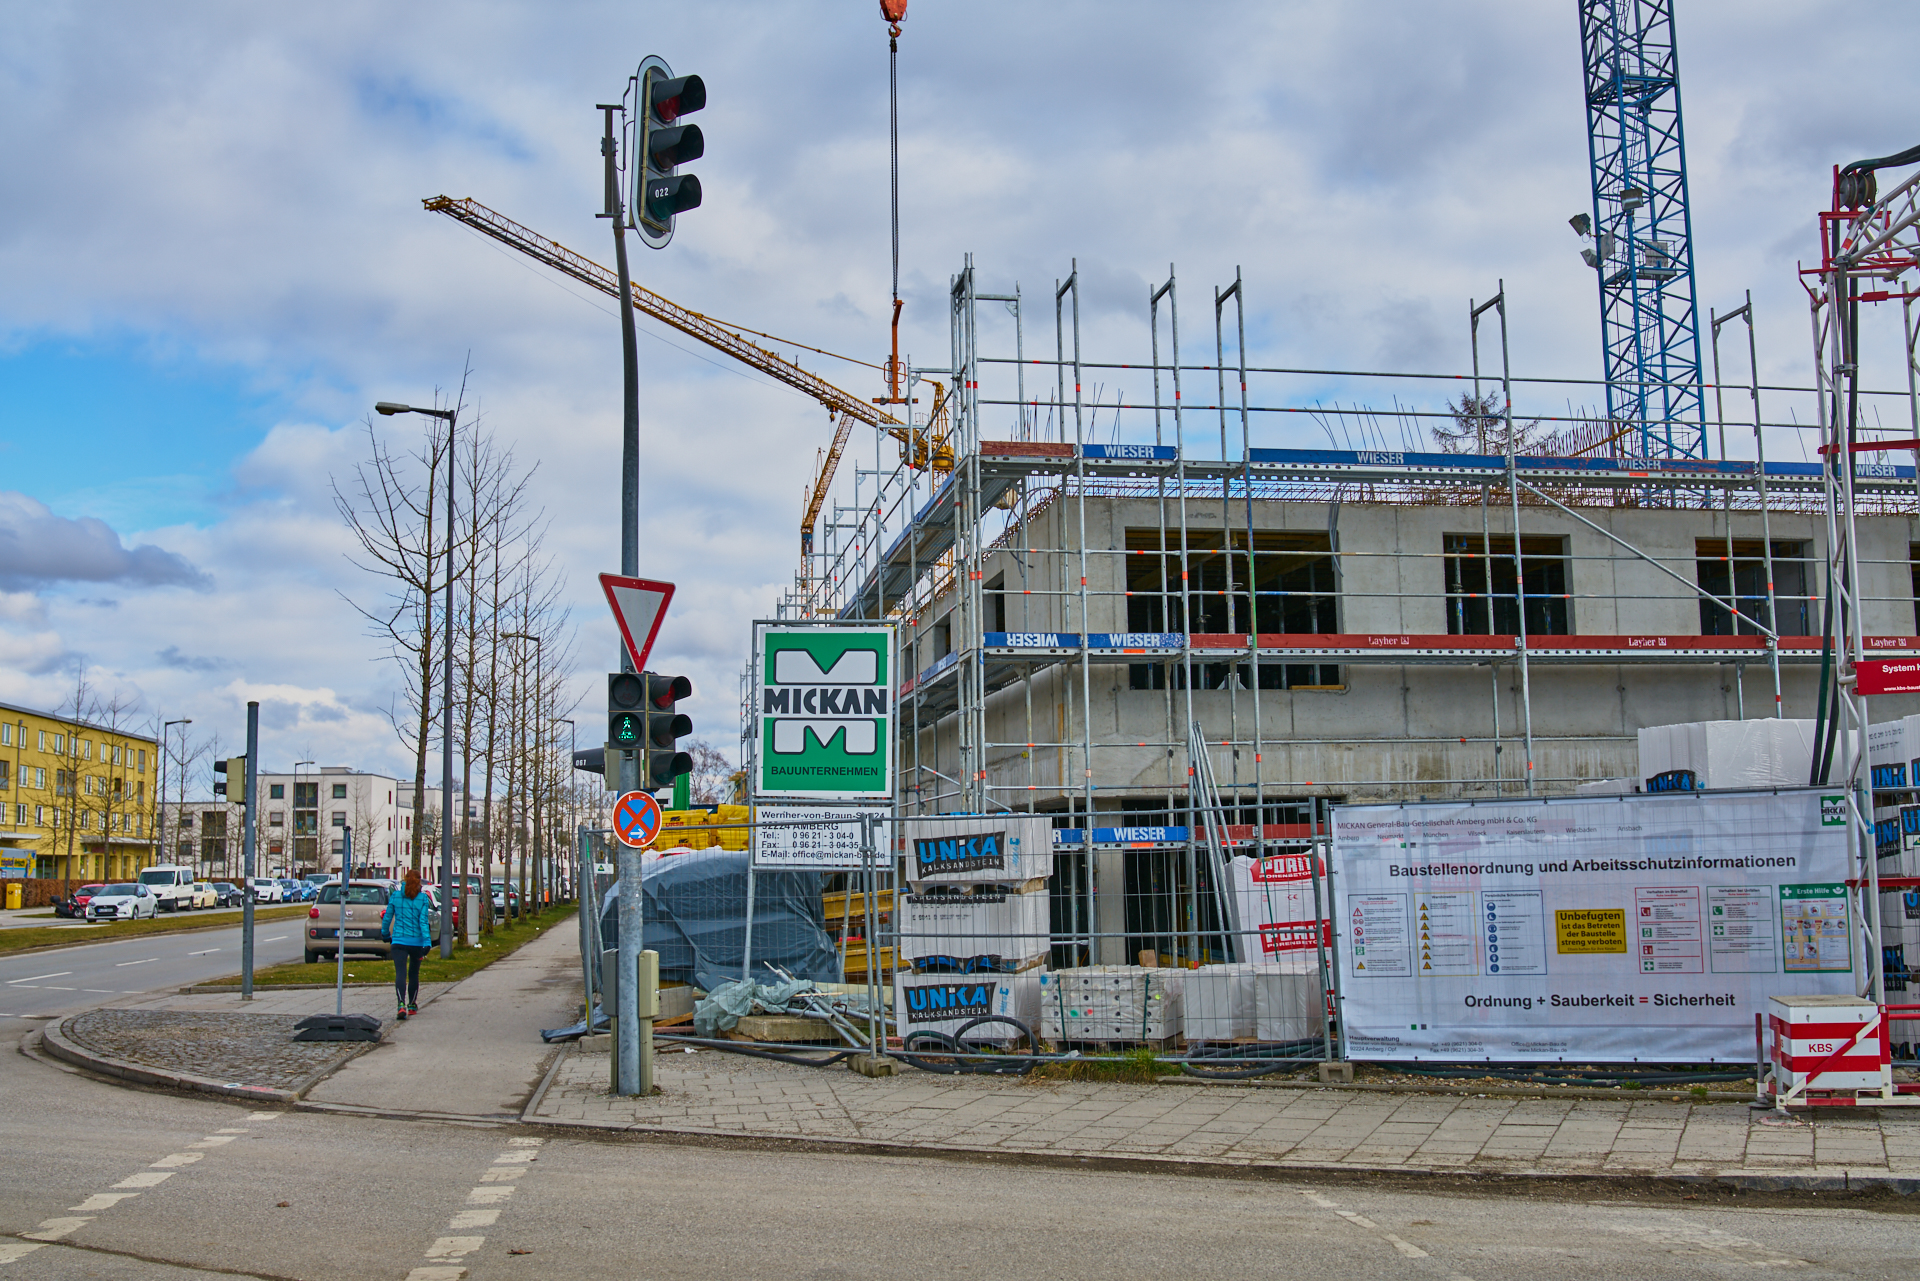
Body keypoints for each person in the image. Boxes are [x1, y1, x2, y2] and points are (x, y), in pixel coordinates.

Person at [381, 870, 434, 1020]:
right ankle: (412, 1004)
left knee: (400, 973)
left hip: (398, 941)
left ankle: (400, 1005)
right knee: (413, 974)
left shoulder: (396, 896)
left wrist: (385, 934)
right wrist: (427, 942)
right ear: (419, 882)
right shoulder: (423, 898)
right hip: (416, 943)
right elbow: (423, 922)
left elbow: (387, 917)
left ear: (404, 880)